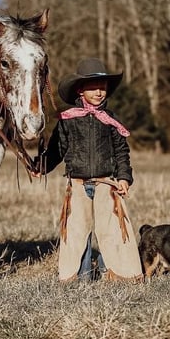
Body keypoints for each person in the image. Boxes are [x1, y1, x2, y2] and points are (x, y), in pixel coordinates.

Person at [34, 58, 143, 282]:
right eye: (93, 87)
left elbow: (122, 151)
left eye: (103, 87)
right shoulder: (68, 120)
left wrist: (124, 177)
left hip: (106, 184)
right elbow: (57, 150)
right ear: (80, 90)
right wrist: (41, 167)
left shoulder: (110, 120)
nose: (99, 92)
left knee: (112, 229)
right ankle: (81, 274)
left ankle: (110, 270)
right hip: (78, 184)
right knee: (77, 232)